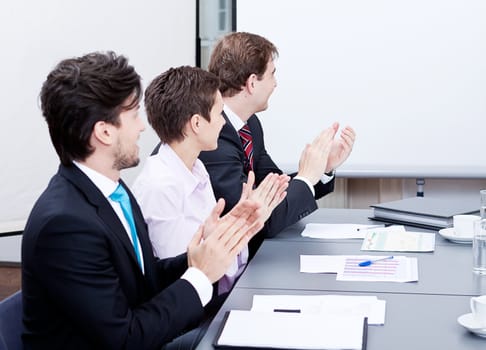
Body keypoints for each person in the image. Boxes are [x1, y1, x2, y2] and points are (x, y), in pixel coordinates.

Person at [21, 51, 265, 350]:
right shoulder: (65, 224)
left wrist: (197, 256)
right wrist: (201, 276)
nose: (141, 127)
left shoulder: (113, 192)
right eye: (134, 115)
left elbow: (144, 280)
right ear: (105, 132)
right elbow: (126, 338)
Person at [132, 66, 288, 295]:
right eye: (218, 114)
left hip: (219, 296)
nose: (223, 123)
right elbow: (187, 279)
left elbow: (224, 268)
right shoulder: (161, 187)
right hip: (192, 315)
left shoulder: (196, 168)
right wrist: (238, 229)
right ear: (196, 123)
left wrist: (243, 226)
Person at [199, 32, 356, 256]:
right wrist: (306, 177)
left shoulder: (250, 124)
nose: (275, 84)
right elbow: (262, 220)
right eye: (272, 75)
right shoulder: (213, 138)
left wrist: (322, 168)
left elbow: (275, 189)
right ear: (252, 83)